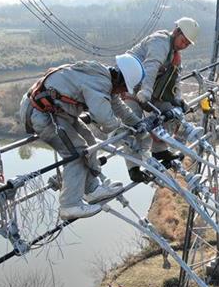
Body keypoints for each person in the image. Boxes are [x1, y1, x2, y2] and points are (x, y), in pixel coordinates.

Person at [19, 56, 145, 219]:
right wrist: (121, 128)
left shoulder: (104, 78)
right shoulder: (100, 82)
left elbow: (117, 106)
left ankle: (92, 190)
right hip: (42, 114)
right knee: (77, 153)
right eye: (123, 89)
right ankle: (69, 205)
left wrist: (137, 123)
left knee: (90, 140)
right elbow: (105, 119)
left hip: (58, 112)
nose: (122, 94)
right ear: (120, 81)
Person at [121, 17, 199, 183]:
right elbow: (151, 67)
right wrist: (146, 91)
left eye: (187, 44)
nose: (183, 45)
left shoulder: (175, 55)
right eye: (183, 41)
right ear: (177, 32)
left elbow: (175, 80)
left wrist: (178, 100)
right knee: (134, 124)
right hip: (128, 87)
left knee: (170, 112)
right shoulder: (160, 43)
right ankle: (133, 168)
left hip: (148, 92)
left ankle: (159, 150)